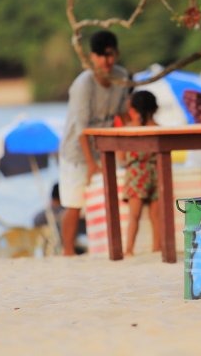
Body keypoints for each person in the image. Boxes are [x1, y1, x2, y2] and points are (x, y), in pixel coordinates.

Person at [59, 30, 130, 256]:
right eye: (100, 56)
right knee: (74, 202)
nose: (105, 61)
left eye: (109, 55)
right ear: (92, 57)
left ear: (116, 54)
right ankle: (67, 251)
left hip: (106, 149)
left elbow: (124, 115)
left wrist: (127, 149)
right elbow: (81, 128)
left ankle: (108, 247)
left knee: (113, 199)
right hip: (77, 152)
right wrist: (91, 164)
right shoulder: (84, 84)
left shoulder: (121, 77)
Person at [118, 90, 161, 256]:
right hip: (156, 173)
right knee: (156, 217)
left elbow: (121, 157)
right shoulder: (158, 129)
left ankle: (129, 250)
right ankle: (157, 248)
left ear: (134, 109)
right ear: (154, 109)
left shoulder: (128, 130)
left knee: (133, 216)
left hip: (136, 174)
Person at [33, 183, 87, 255]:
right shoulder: (70, 214)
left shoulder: (38, 217)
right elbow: (85, 229)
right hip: (67, 250)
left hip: (48, 253)